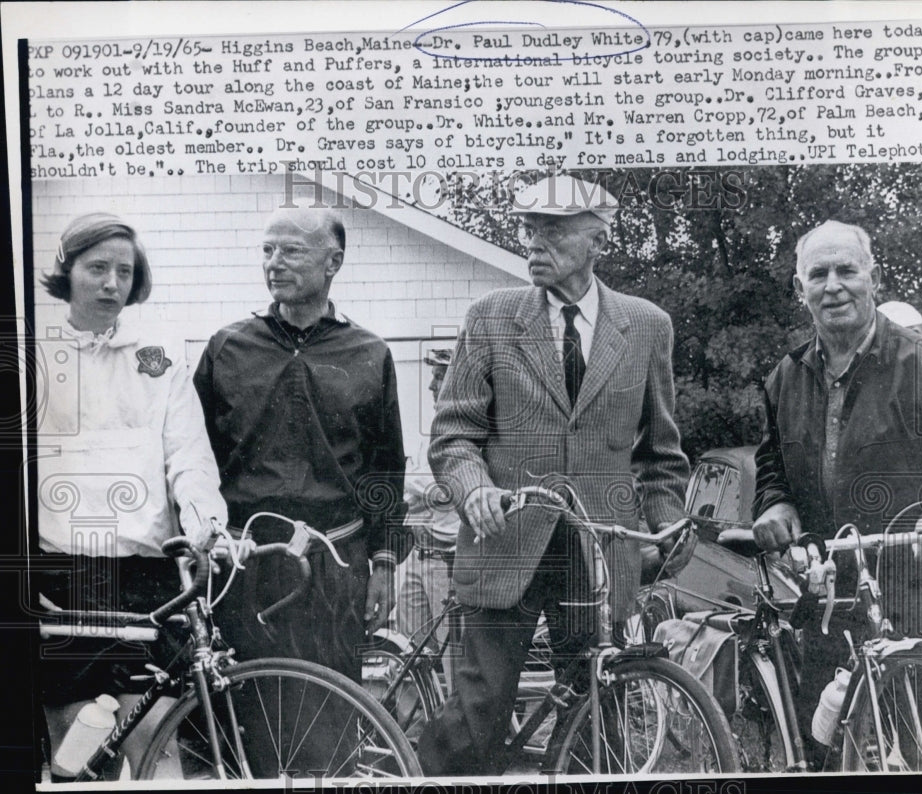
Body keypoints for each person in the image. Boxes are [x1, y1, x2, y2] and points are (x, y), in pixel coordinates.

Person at [417, 175, 690, 775]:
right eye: (530, 231)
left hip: (597, 552)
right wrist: (473, 488)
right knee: (476, 716)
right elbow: (453, 434)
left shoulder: (647, 326)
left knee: (598, 717)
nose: (535, 244)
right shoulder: (490, 318)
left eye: (554, 232)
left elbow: (661, 457)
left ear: (599, 240)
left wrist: (668, 525)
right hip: (504, 542)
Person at [752, 220, 922, 767]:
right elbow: (771, 466)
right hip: (835, 592)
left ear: (875, 278)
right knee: (829, 748)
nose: (833, 285)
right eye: (818, 274)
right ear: (800, 290)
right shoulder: (784, 379)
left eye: (847, 270)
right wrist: (774, 502)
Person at [34, 213, 227, 779]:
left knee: (153, 741)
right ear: (67, 273)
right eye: (97, 268)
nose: (112, 283)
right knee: (74, 746)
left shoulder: (159, 356)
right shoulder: (37, 357)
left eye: (125, 270)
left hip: (146, 573)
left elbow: (188, 454)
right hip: (65, 572)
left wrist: (203, 525)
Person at [193, 208, 407, 683]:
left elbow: (386, 471)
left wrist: (385, 564)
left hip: (335, 564)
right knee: (247, 711)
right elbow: (194, 458)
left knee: (330, 712)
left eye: (291, 250)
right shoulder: (226, 348)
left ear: (333, 262)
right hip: (246, 562)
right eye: (267, 250)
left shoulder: (370, 354)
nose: (275, 262)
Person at [395, 349, 461, 665]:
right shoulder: (432, 430)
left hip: (448, 564)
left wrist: (404, 480)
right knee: (409, 657)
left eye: (439, 376)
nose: (432, 385)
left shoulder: (469, 429)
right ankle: (417, 716)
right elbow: (417, 492)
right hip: (416, 557)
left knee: (454, 662)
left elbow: (443, 489)